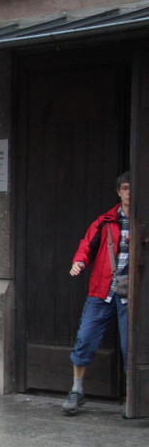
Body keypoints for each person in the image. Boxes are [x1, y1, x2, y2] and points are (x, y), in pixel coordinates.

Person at [62, 172, 131, 415]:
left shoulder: (143, 221)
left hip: (133, 295)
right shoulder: (105, 221)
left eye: (133, 188)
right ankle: (77, 391)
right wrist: (79, 262)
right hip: (102, 291)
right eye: (124, 188)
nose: (129, 193)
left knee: (131, 347)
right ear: (118, 192)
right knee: (85, 338)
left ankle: (134, 398)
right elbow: (86, 246)